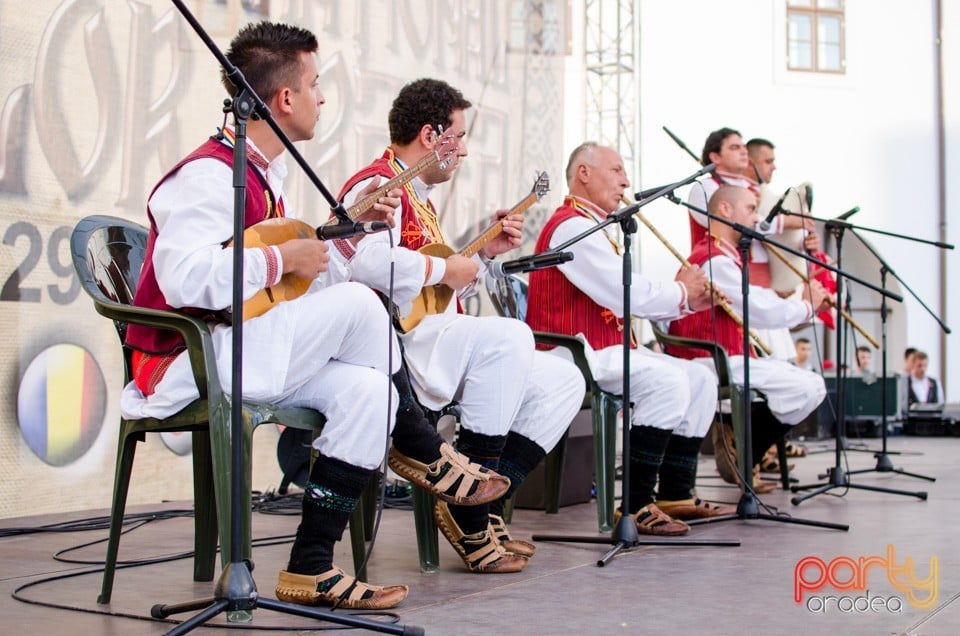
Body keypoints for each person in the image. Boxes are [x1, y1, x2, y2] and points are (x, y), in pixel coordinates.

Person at [121, 23, 506, 610]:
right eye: (315, 83)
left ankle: (310, 567)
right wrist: (281, 257)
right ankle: (422, 447)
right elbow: (183, 278)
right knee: (360, 304)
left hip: (253, 345)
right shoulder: (209, 174)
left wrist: (340, 238)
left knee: (367, 391)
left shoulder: (264, 179)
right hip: (193, 358)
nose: (322, 96)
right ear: (284, 100)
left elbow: (294, 280)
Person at [334, 78, 584, 572]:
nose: (465, 151)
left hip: (429, 336)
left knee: (564, 380)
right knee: (510, 335)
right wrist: (446, 268)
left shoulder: (421, 197)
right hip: (391, 345)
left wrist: (481, 255)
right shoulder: (378, 185)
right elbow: (364, 263)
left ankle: (478, 500)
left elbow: (434, 291)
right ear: (431, 136)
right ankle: (471, 515)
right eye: (460, 136)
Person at [526, 141, 733, 536]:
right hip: (572, 352)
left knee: (701, 379)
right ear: (583, 173)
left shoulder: (594, 226)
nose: (625, 181)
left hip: (603, 349)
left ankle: (676, 493)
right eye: (617, 170)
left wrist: (688, 300)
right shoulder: (571, 225)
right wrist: (682, 293)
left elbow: (625, 300)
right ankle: (637, 503)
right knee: (668, 381)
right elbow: (622, 293)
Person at [668, 185, 829, 489]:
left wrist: (801, 301)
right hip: (709, 360)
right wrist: (806, 306)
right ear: (725, 210)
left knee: (806, 386)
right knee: (808, 387)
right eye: (751, 209)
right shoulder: (714, 260)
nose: (757, 218)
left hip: (724, 357)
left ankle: (741, 444)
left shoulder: (721, 257)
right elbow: (758, 308)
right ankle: (745, 450)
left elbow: (756, 299)